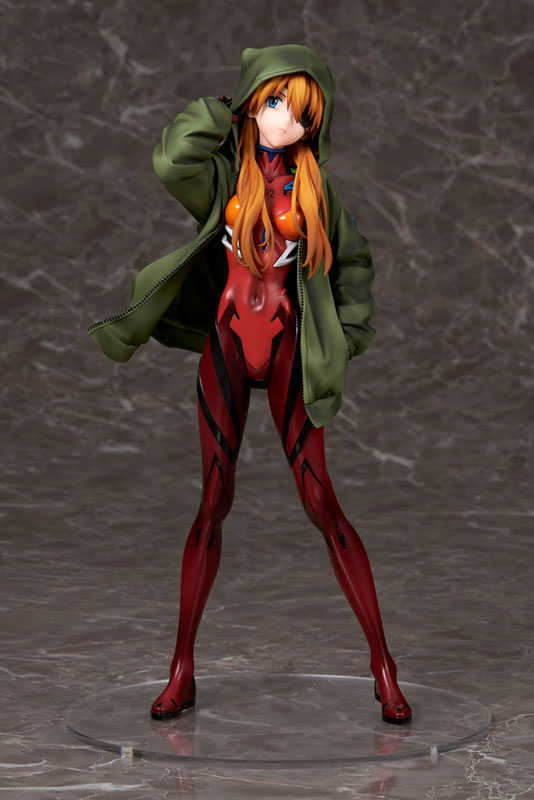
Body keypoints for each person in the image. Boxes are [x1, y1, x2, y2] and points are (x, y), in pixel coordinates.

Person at [89, 44, 412, 725]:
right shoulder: (223, 177)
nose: (286, 121)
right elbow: (170, 160)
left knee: (322, 502)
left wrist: (345, 339)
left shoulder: (318, 190)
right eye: (274, 103)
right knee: (212, 501)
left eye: (301, 114)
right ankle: (181, 670)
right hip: (229, 343)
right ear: (251, 104)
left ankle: (384, 668)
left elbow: (355, 265)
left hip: (290, 347)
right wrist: (225, 107)